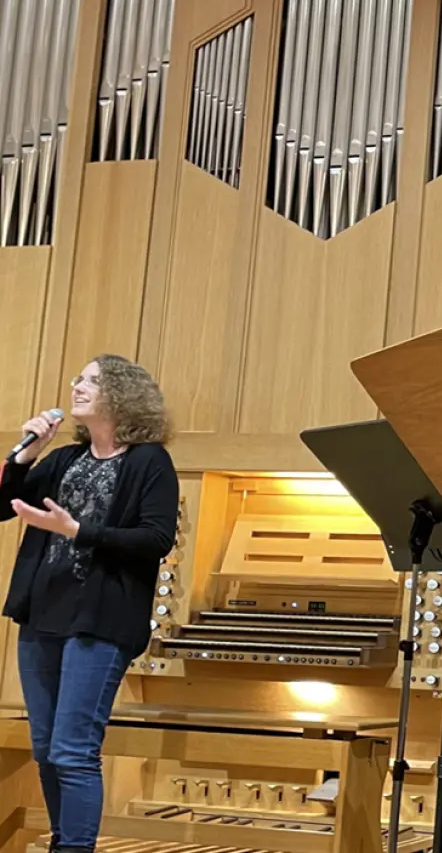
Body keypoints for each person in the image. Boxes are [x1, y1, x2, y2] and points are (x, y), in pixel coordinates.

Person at [1, 355, 178, 853]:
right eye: (78, 377)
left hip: (100, 621)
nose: (76, 386)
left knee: (73, 751)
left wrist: (78, 531)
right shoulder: (64, 460)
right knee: (45, 750)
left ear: (121, 395)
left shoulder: (148, 462)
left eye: (91, 380)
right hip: (42, 617)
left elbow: (156, 538)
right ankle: (64, 841)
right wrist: (24, 457)